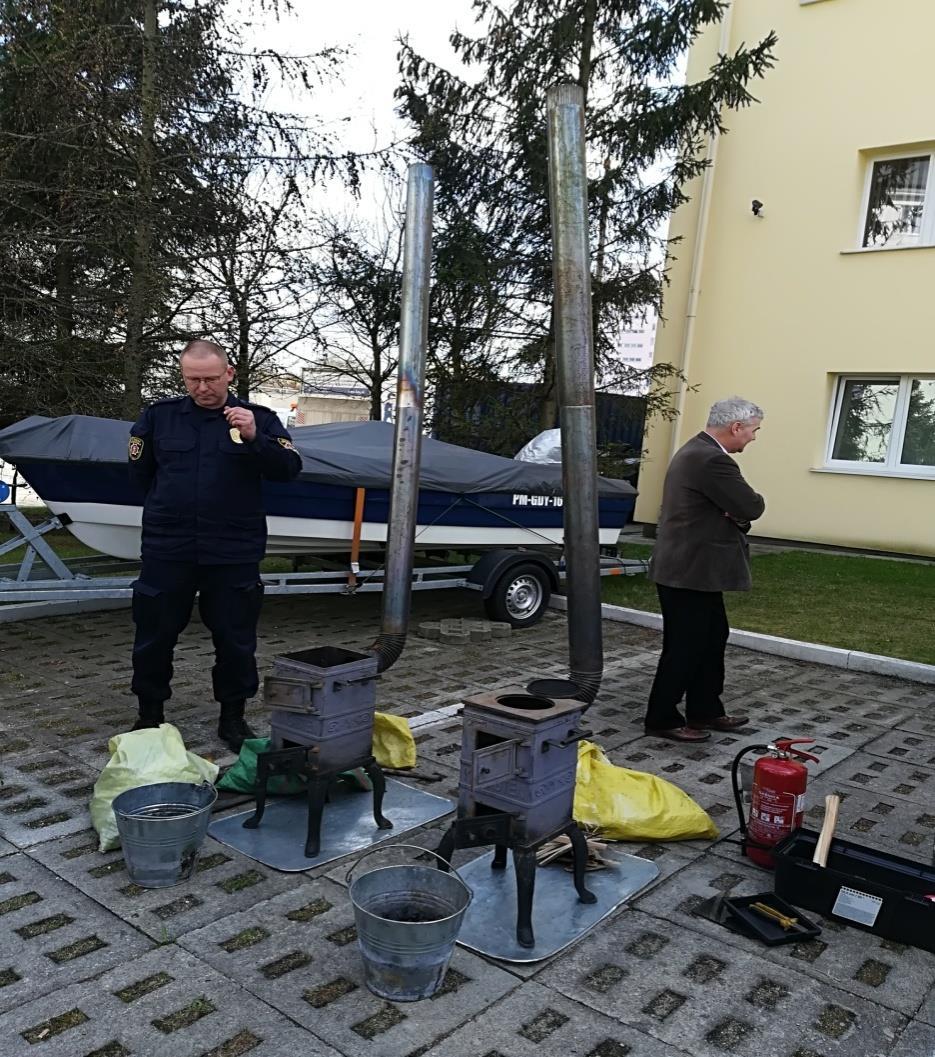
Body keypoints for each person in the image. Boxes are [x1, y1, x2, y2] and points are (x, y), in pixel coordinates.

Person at [127, 340, 303, 751]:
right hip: (169, 547)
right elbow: (140, 475)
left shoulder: (259, 419)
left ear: (228, 374)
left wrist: (255, 437)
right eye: (192, 379)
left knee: (235, 638)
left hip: (232, 549)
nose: (201, 387)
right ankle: (149, 716)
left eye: (209, 379)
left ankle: (233, 718)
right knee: (153, 635)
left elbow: (289, 469)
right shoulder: (159, 418)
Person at [643, 397, 766, 743]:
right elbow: (750, 506)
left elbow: (734, 511)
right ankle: (662, 717)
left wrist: (735, 513)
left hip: (693, 570)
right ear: (736, 427)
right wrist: (742, 511)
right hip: (688, 571)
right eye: (754, 431)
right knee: (685, 646)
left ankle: (705, 709)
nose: (754, 438)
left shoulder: (698, 452)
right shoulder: (712, 460)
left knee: (712, 638)